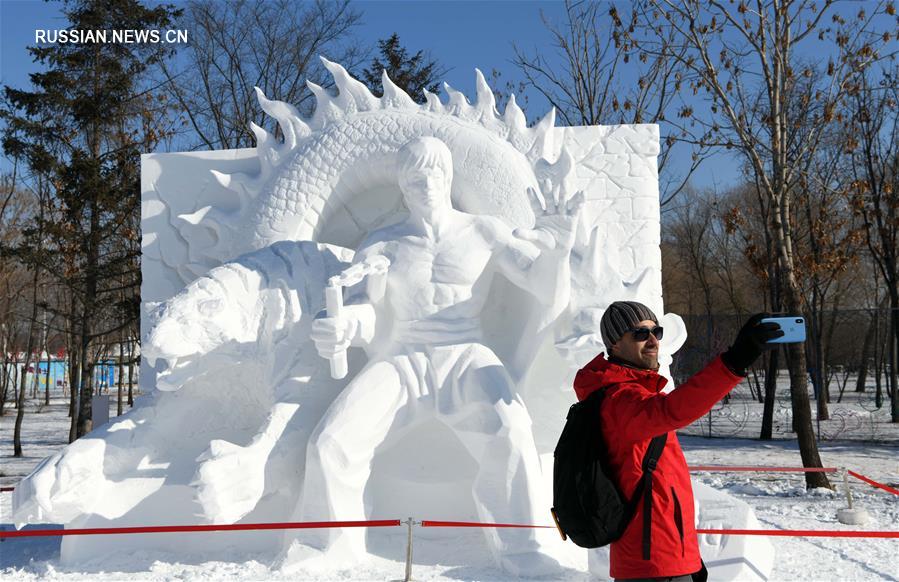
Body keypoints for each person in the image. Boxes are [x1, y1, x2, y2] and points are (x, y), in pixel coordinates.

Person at [284, 136, 583, 575]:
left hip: (465, 354)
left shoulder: (485, 230)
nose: (426, 183)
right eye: (414, 176)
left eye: (434, 173)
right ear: (403, 185)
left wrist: (557, 255)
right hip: (401, 357)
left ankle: (522, 549)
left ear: (448, 177)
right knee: (331, 441)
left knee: (512, 429)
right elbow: (368, 311)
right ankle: (331, 547)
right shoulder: (382, 242)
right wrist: (346, 326)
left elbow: (543, 290)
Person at [573, 301, 782, 582]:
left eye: (655, 332)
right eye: (639, 333)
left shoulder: (634, 394)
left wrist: (688, 557)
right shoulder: (619, 401)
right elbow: (675, 409)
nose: (651, 340)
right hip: (651, 564)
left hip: (668, 557)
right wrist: (737, 359)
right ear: (614, 344)